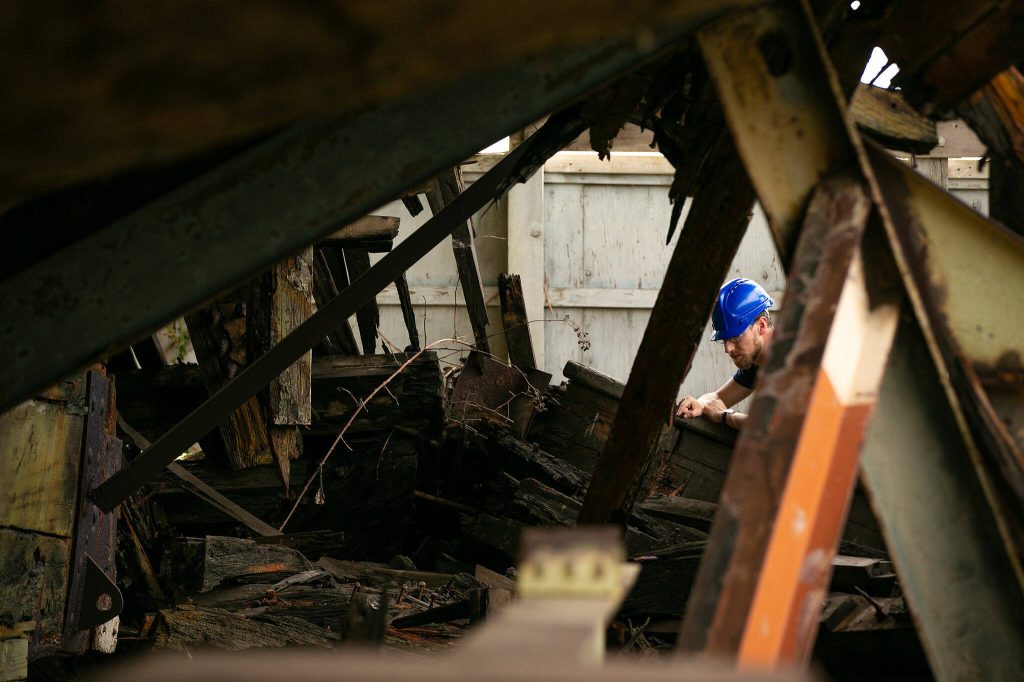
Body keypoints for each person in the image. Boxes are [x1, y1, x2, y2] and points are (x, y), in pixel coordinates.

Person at [676, 278, 775, 430]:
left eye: (736, 338)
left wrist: (725, 416)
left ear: (761, 326)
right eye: (724, 340)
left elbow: (778, 428)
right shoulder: (756, 364)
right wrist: (700, 404)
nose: (728, 349)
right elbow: (719, 397)